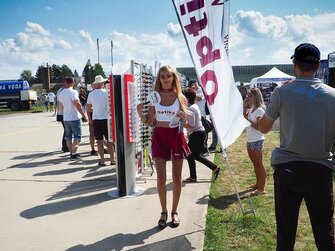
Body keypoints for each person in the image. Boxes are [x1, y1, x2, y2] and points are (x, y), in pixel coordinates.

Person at [258, 43, 335, 250]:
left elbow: (264, 128)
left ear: (295, 65)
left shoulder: (282, 93)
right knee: (324, 232)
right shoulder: (333, 95)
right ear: (318, 65)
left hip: (288, 168)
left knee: (286, 231)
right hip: (321, 169)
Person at [136, 65, 190, 229]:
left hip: (176, 137)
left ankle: (174, 211)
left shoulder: (180, 97)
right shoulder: (154, 98)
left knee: (176, 179)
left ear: (173, 77)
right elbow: (148, 121)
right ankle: (163, 211)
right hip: (159, 137)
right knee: (160, 178)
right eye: (162, 77)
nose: (166, 79)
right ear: (158, 79)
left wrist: (183, 117)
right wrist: (139, 112)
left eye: (168, 76)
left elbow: (186, 123)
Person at [183, 88, 220, 183]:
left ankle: (193, 177)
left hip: (197, 134)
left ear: (186, 99)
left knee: (190, 155)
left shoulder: (190, 109)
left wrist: (180, 124)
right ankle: (214, 167)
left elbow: (191, 124)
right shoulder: (193, 106)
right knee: (196, 155)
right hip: (198, 133)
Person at [86, 75, 115, 166]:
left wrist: (90, 117)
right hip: (106, 119)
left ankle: (102, 160)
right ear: (102, 83)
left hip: (96, 119)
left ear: (96, 84)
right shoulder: (107, 93)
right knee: (109, 141)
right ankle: (112, 159)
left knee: (99, 141)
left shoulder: (91, 94)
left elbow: (88, 108)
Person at [243, 87, 266, 195]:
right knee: (255, 164)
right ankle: (258, 184)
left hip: (257, 139)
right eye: (247, 96)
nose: (248, 98)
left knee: (259, 164)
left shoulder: (259, 110)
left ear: (256, 97)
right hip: (251, 139)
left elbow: (260, 127)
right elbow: (244, 117)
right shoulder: (252, 109)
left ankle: (261, 188)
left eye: (250, 96)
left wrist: (248, 120)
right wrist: (244, 108)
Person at [58, 77, 88, 159]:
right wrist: (83, 114)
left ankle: (71, 152)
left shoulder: (61, 93)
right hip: (74, 117)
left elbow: (61, 106)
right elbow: (77, 104)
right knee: (77, 136)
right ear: (73, 83)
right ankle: (74, 152)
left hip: (66, 117)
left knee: (68, 137)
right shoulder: (73, 92)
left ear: (66, 83)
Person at [188, 80, 209, 156]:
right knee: (197, 133)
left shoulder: (201, 90)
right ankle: (200, 149)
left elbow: (199, 98)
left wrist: (193, 91)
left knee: (203, 132)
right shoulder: (196, 90)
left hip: (202, 113)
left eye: (195, 85)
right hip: (196, 113)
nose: (194, 87)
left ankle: (204, 150)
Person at [56, 83, 69, 153]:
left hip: (60, 113)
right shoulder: (63, 91)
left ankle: (65, 146)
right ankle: (65, 146)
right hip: (64, 113)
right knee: (67, 130)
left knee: (66, 130)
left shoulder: (59, 90)